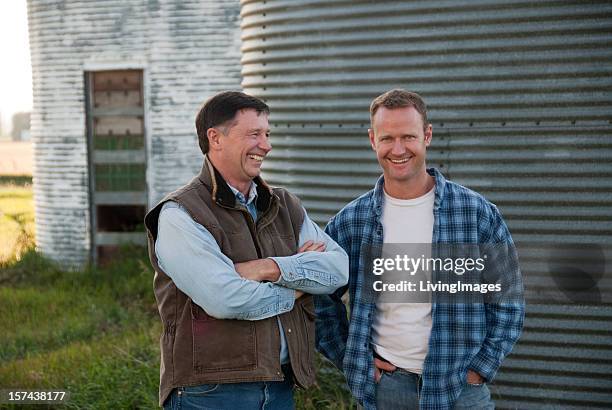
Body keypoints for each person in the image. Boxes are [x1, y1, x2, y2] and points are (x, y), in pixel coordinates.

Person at [314, 89, 524, 410]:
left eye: (408, 137)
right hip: (385, 391)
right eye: (387, 138)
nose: (397, 149)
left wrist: (479, 369)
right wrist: (351, 358)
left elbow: (508, 300)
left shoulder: (476, 213)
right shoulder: (351, 222)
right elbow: (319, 298)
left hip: (461, 391)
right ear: (373, 140)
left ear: (427, 135)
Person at [144, 91, 349, 409]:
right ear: (216, 138)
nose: (266, 145)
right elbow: (225, 299)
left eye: (267, 134)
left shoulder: (285, 205)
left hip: (279, 386)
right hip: (210, 394)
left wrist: (270, 268)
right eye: (254, 134)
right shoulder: (180, 214)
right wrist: (299, 289)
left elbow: (338, 269)